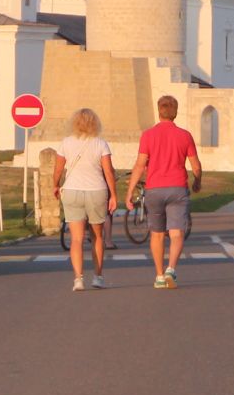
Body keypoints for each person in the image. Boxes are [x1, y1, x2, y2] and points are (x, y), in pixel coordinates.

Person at [124, 95, 201, 290]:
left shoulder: (148, 135)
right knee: (176, 234)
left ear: (159, 112)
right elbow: (195, 165)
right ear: (175, 112)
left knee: (156, 235)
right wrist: (197, 181)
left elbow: (140, 165)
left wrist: (130, 190)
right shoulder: (185, 136)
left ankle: (159, 275)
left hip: (154, 189)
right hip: (177, 188)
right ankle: (171, 269)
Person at [53, 108, 117, 291]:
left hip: (72, 190)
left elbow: (58, 169)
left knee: (76, 239)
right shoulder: (101, 144)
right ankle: (97, 276)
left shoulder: (66, 143)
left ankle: (78, 279)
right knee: (97, 236)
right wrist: (113, 194)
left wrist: (55, 185)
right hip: (96, 191)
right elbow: (108, 171)